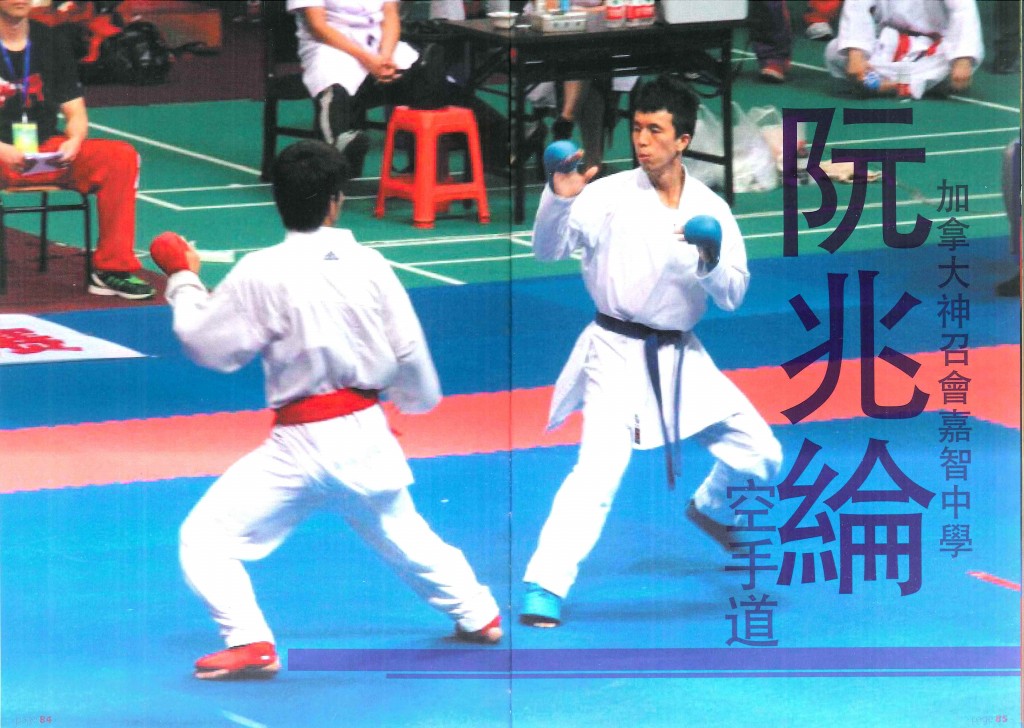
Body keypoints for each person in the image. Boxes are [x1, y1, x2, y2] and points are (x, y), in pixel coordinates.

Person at [153, 140, 502, 681]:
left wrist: (182, 276)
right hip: (364, 429)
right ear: (336, 201)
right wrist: (412, 401)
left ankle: (249, 640)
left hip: (302, 444)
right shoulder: (370, 263)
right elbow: (408, 349)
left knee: (204, 538)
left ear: (278, 200)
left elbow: (207, 344)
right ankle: (479, 613)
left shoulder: (261, 270)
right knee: (399, 527)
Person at [519, 75, 783, 628]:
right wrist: (558, 199)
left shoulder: (712, 208)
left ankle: (711, 508)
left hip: (679, 356)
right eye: (637, 128)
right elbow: (546, 251)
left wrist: (710, 257)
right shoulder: (606, 196)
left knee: (762, 453)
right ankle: (545, 584)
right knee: (598, 471)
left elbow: (733, 294)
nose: (642, 140)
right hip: (613, 352)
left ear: (683, 139)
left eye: (656, 130)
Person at [0, 0, 153, 300]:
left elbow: (75, 111)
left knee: (120, 157)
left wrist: (74, 140)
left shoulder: (50, 40)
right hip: (2, 154)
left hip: (45, 151)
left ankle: (111, 269)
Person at [287, 0, 450, 177]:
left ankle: (426, 169)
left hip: (380, 47)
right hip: (330, 47)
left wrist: (385, 56)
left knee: (424, 73)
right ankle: (334, 157)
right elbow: (317, 26)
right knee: (332, 87)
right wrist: (367, 59)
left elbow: (390, 15)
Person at [824, 0, 983, 99]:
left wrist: (963, 60)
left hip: (933, 50)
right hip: (890, 44)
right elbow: (857, 7)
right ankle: (910, 84)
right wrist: (856, 54)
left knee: (953, 62)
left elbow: (963, 10)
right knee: (834, 51)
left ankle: (884, 83)